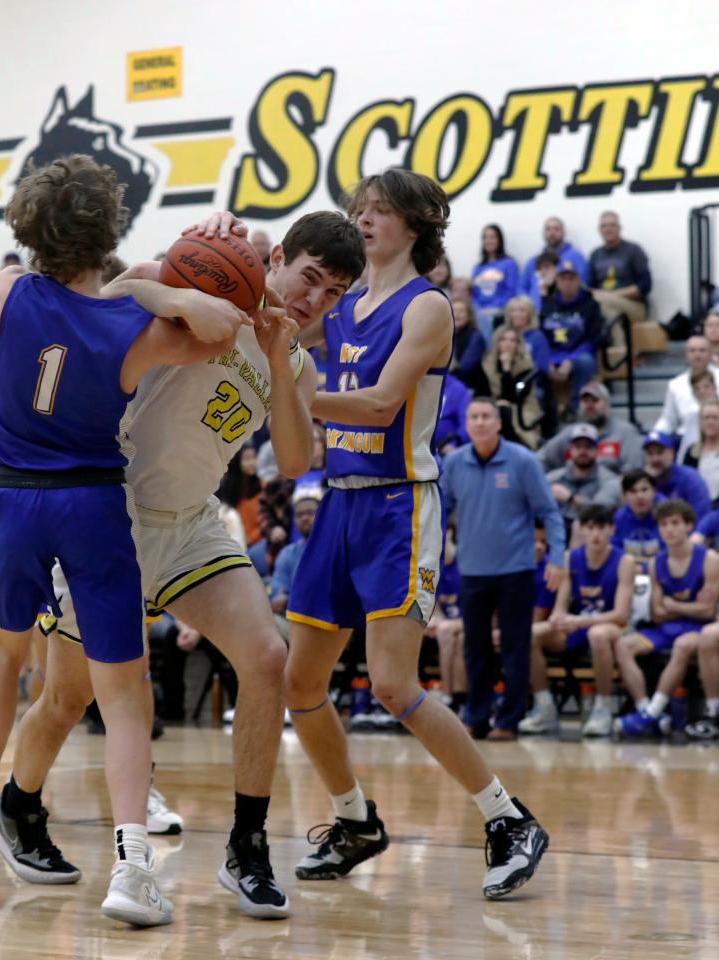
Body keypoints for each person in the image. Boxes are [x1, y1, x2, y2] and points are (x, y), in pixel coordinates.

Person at [0, 208, 363, 923]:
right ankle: (17, 803)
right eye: (310, 279)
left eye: (331, 295)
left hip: (192, 526)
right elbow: (109, 296)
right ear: (279, 257)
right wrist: (176, 275)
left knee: (266, 657)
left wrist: (279, 355)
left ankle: (247, 848)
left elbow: (296, 461)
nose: (313, 300)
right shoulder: (205, 291)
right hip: (109, 515)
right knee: (67, 697)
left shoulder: (295, 358)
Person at [0, 153, 253, 927]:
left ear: (29, 227)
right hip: (91, 503)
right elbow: (218, 332)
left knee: (3, 653)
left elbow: (52, 285)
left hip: (13, 497)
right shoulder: (134, 327)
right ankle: (131, 869)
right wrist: (162, 284)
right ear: (111, 230)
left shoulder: (7, 289)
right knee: (122, 693)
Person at [285, 170, 549, 901]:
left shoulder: (427, 305)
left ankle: (507, 818)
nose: (364, 221)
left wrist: (292, 392)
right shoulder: (339, 302)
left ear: (414, 224)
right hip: (336, 503)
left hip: (399, 507)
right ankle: (354, 821)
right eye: (359, 210)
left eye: (379, 211)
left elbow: (374, 406)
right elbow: (273, 323)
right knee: (300, 682)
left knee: (394, 681)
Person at [442, 398, 566, 743]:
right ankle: (477, 717)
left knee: (515, 646)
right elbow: (439, 511)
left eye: (486, 417)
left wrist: (557, 556)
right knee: (475, 648)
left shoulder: (523, 461)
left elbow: (550, 513)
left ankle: (509, 720)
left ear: (499, 423)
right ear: (466, 424)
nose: (479, 422)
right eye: (473, 417)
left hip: (515, 570)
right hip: (472, 571)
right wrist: (432, 549)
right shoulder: (454, 463)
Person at [518, 504, 634, 737]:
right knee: (528, 634)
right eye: (590, 528)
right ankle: (545, 708)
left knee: (598, 635)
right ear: (581, 530)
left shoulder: (625, 561)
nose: (596, 534)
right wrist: (559, 618)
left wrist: (579, 621)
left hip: (611, 628)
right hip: (577, 625)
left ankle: (602, 708)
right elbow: (560, 607)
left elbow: (621, 616)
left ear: (611, 530)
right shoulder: (571, 558)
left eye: (601, 528)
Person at [613, 499, 719, 737]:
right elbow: (658, 612)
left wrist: (673, 604)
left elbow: (708, 612)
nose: (669, 529)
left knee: (683, 645)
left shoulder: (709, 559)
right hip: (667, 628)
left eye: (675, 523)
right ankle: (645, 709)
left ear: (689, 526)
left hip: (698, 629)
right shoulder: (655, 563)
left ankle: (651, 712)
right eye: (663, 524)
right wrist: (687, 606)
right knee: (623, 645)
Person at [537, 381, 644, 475]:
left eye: (595, 400)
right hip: (570, 491)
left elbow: (633, 474)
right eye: (585, 401)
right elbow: (540, 459)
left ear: (608, 404)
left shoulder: (625, 432)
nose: (589, 405)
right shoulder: (569, 432)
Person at [540, 261, 604, 414]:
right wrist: (548, 360)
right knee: (535, 362)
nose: (567, 283)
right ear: (557, 282)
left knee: (585, 362)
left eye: (571, 279)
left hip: (579, 353)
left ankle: (577, 409)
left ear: (578, 281)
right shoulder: (548, 304)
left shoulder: (590, 305)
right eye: (563, 279)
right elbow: (541, 336)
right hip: (552, 354)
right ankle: (546, 414)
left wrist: (571, 360)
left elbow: (593, 338)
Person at [424, 521, 466, 714]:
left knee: (448, 631)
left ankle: (449, 696)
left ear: (449, 532)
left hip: (475, 620)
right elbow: (436, 609)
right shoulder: (432, 565)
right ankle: (453, 698)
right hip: (449, 626)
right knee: (444, 632)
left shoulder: (466, 560)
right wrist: (436, 619)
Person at [270, 485, 323, 640]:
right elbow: (278, 599)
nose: (304, 518)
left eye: (309, 512)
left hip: (339, 624)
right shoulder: (288, 554)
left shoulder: (340, 548)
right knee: (264, 623)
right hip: (298, 625)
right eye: (299, 514)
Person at [546, 424, 621, 527]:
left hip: (591, 531)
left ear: (597, 450)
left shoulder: (609, 479)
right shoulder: (554, 477)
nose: (582, 451)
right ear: (570, 450)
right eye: (578, 446)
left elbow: (600, 512)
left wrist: (571, 498)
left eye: (588, 446)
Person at [481, 325, 541, 448]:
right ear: (497, 342)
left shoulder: (526, 366)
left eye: (512, 340)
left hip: (522, 407)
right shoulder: (486, 364)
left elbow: (514, 396)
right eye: (503, 339)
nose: (508, 343)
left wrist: (506, 368)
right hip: (492, 404)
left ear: (518, 344)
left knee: (504, 411)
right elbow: (482, 392)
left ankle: (516, 448)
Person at [587, 211, 652, 325]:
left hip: (633, 305)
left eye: (612, 225)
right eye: (604, 226)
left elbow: (645, 285)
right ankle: (619, 343)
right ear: (599, 230)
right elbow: (590, 286)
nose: (608, 229)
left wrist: (611, 295)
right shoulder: (595, 254)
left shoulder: (633, 250)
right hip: (605, 304)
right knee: (608, 312)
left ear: (619, 228)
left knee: (605, 303)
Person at [654, 335, 719, 439]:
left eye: (702, 350)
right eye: (692, 351)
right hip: (685, 438)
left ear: (711, 353)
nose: (697, 355)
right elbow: (668, 419)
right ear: (686, 354)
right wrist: (655, 435)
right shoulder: (675, 384)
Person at [519, 217, 588, 311]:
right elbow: (522, 287)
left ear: (564, 232)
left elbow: (583, 285)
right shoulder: (533, 261)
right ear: (543, 233)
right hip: (534, 313)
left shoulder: (576, 257)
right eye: (548, 229)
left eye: (556, 229)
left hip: (564, 311)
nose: (552, 233)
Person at [643, 430, 711, 521]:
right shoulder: (642, 482)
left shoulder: (690, 478)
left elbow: (702, 517)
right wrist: (649, 484)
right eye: (650, 454)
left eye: (660, 452)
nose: (655, 459)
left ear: (672, 453)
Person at [470, 224, 518, 344]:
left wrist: (493, 307)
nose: (488, 241)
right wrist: (479, 309)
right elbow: (472, 294)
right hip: (480, 312)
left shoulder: (508, 264)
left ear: (500, 240)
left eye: (492, 237)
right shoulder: (478, 267)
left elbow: (511, 291)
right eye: (485, 237)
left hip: (500, 311)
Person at [613, 470, 663, 568]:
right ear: (625, 496)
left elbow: (670, 555)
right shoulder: (618, 519)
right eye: (633, 491)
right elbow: (614, 554)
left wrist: (642, 569)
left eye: (644, 490)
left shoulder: (667, 516)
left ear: (654, 491)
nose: (639, 496)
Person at [677, 370, 718, 461]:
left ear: (714, 388)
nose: (702, 391)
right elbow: (685, 448)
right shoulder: (691, 417)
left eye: (706, 387)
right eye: (697, 388)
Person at [683, 399, 719, 502]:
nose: (710, 422)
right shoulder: (692, 452)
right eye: (706, 418)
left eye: (715, 418)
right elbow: (686, 483)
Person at [503, 295, 549, 375]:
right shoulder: (501, 335)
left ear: (530, 314)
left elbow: (541, 367)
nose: (517, 314)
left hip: (530, 383)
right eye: (513, 311)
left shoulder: (537, 337)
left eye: (522, 311)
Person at [449, 298, 488, 394]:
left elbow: (465, 368)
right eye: (453, 311)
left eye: (461, 311)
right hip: (449, 383)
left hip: (469, 387)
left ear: (469, 316)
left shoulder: (475, 336)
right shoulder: (445, 335)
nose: (457, 315)